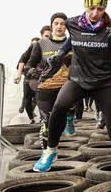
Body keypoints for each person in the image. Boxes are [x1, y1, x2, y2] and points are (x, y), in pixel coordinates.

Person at [32, 0, 111, 172]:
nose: (95, 13)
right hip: (77, 80)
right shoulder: (73, 23)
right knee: (59, 108)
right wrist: (60, 54)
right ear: (85, 6)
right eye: (91, 8)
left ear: (105, 8)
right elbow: (72, 40)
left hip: (103, 83)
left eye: (100, 9)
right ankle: (50, 151)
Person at [26, 13, 75, 148]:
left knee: (60, 120)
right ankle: (47, 150)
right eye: (56, 23)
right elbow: (29, 64)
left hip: (68, 85)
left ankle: (70, 116)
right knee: (47, 122)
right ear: (51, 25)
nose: (59, 26)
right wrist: (30, 72)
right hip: (45, 84)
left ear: (67, 26)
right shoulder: (41, 44)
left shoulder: (74, 43)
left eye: (63, 24)